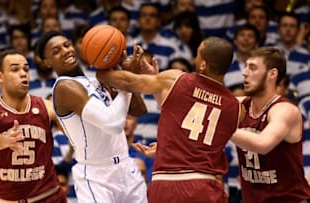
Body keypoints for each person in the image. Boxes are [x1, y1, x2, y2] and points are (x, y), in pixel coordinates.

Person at [97, 36, 240, 203]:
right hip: (204, 184)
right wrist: (170, 147)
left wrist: (102, 71)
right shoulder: (235, 107)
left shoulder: (177, 79)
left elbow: (128, 81)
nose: (194, 58)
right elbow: (201, 134)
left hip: (166, 183)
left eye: (198, 55)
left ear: (203, 65)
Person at [35, 31, 148, 203]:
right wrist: (125, 82)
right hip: (97, 176)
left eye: (67, 45)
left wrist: (128, 78)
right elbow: (113, 123)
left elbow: (139, 110)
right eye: (56, 51)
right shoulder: (64, 87)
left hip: (126, 167)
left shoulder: (95, 80)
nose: (66, 51)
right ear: (47, 62)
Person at [0, 49, 67, 203]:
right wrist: (4, 140)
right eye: (15, 69)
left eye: (26, 69)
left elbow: (75, 132)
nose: (23, 73)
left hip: (48, 197)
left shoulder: (46, 106)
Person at [230, 47, 310, 203]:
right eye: (245, 66)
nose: (244, 73)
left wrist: (222, 126)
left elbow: (262, 143)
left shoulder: (285, 111)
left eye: (252, 67)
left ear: (272, 74)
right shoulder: (240, 106)